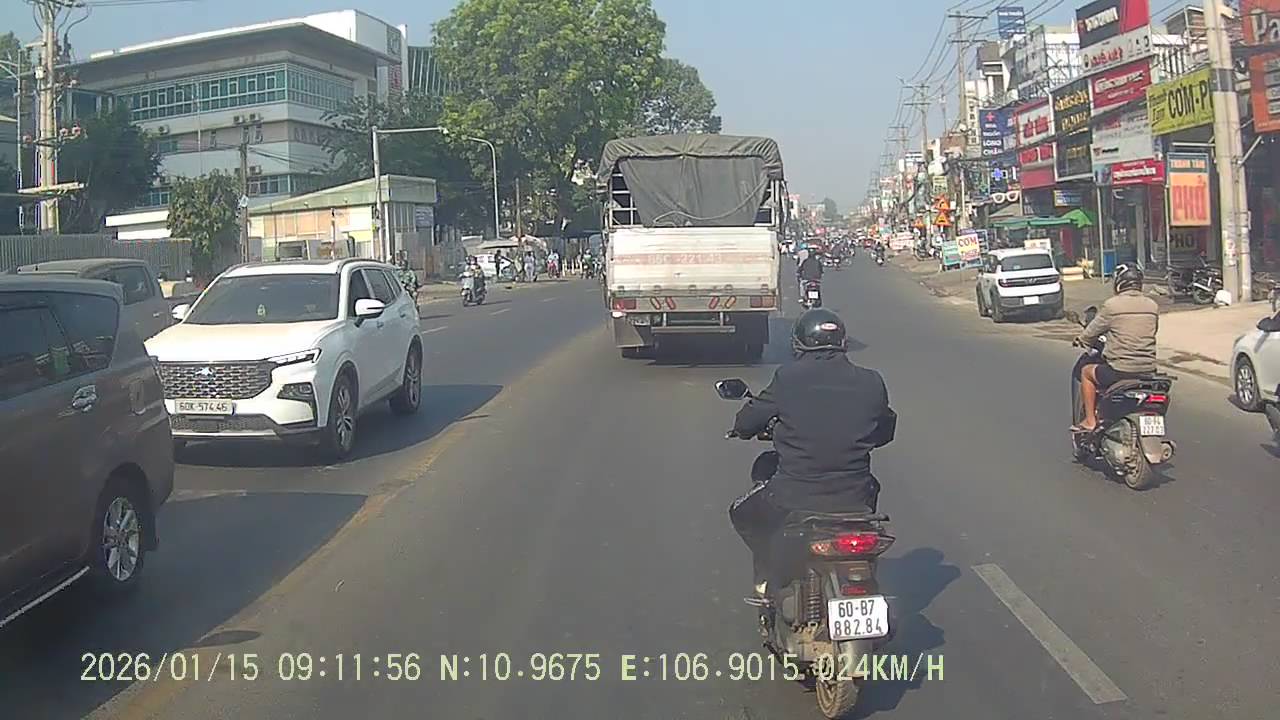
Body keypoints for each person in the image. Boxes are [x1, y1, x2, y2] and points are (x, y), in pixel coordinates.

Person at [728, 309, 896, 597]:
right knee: (872, 491)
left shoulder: (787, 378)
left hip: (796, 495)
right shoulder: (872, 380)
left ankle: (768, 577)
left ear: (798, 344)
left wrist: (741, 429)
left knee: (742, 513)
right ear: (842, 342)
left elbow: (749, 420)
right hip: (857, 496)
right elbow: (885, 430)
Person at [1072, 264, 1159, 432]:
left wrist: (1081, 340)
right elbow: (1153, 330)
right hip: (1149, 369)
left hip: (1120, 370)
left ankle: (1090, 421)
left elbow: (1090, 334)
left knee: (1086, 372)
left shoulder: (1112, 305)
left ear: (1119, 283)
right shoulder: (1152, 305)